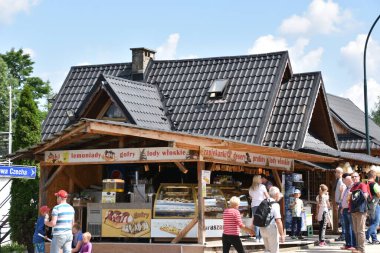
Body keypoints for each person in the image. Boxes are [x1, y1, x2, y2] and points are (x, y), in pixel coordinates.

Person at [260, 186, 285, 253]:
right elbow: (278, 221)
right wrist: (282, 234)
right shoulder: (275, 204)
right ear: (276, 194)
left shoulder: (264, 202)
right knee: (274, 250)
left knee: (267, 250)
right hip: (271, 228)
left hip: (262, 228)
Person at [349, 172, 368, 253]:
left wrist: (357, 195)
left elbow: (365, 195)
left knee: (360, 231)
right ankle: (358, 248)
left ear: (359, 177)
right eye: (352, 177)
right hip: (353, 210)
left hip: (360, 210)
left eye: (355, 177)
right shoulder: (353, 187)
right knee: (356, 230)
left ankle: (361, 249)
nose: (354, 178)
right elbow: (350, 199)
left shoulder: (362, 185)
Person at [249, 175, 269, 242]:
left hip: (254, 205)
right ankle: (262, 237)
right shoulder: (262, 186)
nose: (261, 179)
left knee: (256, 221)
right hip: (261, 205)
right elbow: (267, 196)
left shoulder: (251, 188)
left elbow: (251, 197)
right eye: (260, 178)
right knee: (262, 221)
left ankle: (257, 237)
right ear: (258, 179)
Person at [340, 173, 356, 250]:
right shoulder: (347, 187)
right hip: (345, 209)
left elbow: (351, 200)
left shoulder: (352, 188)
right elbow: (344, 199)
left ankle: (352, 244)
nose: (343, 181)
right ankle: (348, 244)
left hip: (350, 210)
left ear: (349, 180)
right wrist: (342, 207)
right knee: (347, 228)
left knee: (351, 228)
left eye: (345, 180)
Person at [365, 170, 380, 244]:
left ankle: (374, 239)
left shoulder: (365, 183)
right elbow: (379, 194)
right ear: (374, 176)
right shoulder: (375, 184)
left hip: (368, 205)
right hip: (375, 205)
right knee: (376, 223)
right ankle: (366, 236)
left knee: (372, 222)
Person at [334, 167, 345, 241]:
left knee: (342, 220)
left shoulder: (341, 181)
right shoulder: (338, 180)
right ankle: (343, 235)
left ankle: (343, 235)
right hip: (339, 202)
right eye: (335, 172)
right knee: (342, 219)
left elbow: (342, 192)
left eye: (337, 172)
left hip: (340, 202)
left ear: (340, 173)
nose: (335, 173)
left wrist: (339, 202)